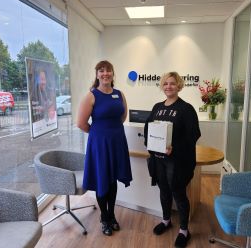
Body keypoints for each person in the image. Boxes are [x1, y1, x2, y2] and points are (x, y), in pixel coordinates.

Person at [144, 72, 201, 248]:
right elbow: (148, 128)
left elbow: (193, 135)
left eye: (172, 84)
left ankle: (184, 230)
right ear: (162, 86)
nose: (169, 86)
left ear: (179, 86)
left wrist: (174, 147)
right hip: (159, 159)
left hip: (177, 161)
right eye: (166, 83)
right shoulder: (157, 107)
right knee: (164, 191)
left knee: (178, 193)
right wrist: (151, 144)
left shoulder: (186, 108)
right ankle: (166, 220)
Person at [77, 60, 132, 236]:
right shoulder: (91, 95)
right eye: (101, 71)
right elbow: (81, 123)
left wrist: (112, 130)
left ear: (112, 74)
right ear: (97, 74)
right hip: (99, 144)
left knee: (112, 179)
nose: (105, 73)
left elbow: (123, 116)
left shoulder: (119, 94)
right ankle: (105, 217)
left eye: (108, 70)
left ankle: (112, 214)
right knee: (103, 180)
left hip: (117, 141)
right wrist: (97, 134)